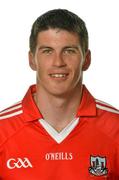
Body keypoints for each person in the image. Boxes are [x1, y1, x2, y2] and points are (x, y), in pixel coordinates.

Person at [0, 9, 119, 179]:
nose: (58, 62)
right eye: (47, 51)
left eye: (69, 51)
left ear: (86, 59)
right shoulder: (2, 130)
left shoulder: (115, 129)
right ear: (32, 60)